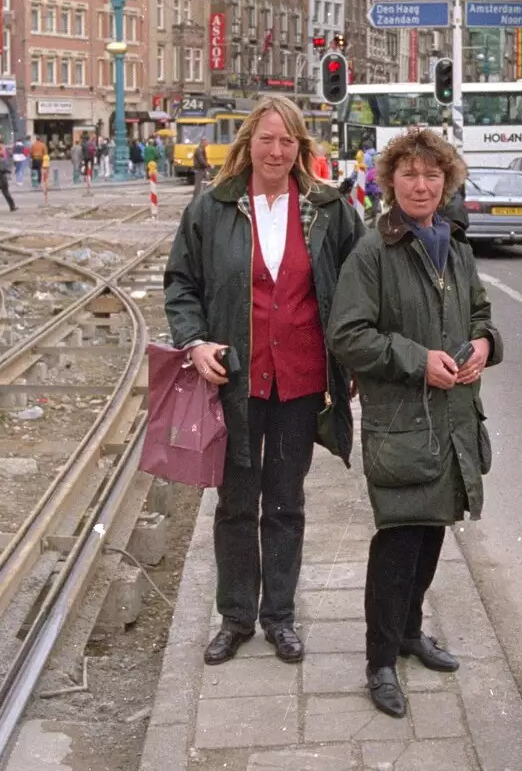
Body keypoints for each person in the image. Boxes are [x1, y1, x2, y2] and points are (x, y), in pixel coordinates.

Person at [164, 94, 364, 669]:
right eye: (267, 139)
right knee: (234, 503)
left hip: (301, 382)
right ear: (247, 143)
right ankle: (234, 618)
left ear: (301, 148)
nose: (277, 151)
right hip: (235, 381)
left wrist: (349, 360)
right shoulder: (213, 208)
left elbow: (356, 287)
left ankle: (279, 616)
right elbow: (181, 283)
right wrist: (195, 341)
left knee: (285, 500)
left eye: (288, 141)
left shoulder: (328, 209)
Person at [327, 127, 501, 719]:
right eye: (410, 175)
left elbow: (480, 312)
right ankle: (379, 660)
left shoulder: (454, 246)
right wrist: (416, 359)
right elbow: (348, 335)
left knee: (430, 535)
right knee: (399, 540)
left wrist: (483, 343)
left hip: (451, 420)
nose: (422, 185)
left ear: (446, 181)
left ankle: (408, 634)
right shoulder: (373, 251)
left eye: (432, 175)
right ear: (390, 182)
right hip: (403, 422)